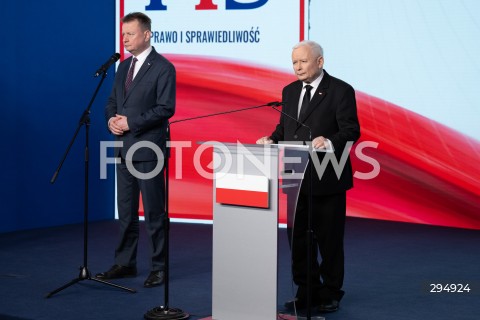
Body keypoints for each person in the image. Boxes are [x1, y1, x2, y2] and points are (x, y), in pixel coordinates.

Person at [257, 40, 360, 312]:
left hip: (328, 177)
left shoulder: (340, 91)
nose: (297, 67)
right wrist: (271, 139)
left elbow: (351, 131)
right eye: (294, 62)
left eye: (303, 61)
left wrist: (328, 141)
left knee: (329, 239)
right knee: (299, 239)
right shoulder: (289, 91)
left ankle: (331, 292)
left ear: (319, 62)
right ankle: (307, 290)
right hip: (294, 176)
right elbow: (285, 127)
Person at [96, 12, 176, 288]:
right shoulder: (122, 67)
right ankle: (125, 263)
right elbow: (112, 101)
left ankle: (159, 267)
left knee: (154, 212)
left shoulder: (163, 68)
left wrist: (131, 122)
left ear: (147, 34)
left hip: (148, 148)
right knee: (126, 212)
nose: (125, 39)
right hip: (123, 149)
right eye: (124, 34)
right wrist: (110, 119)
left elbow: (166, 108)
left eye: (130, 34)